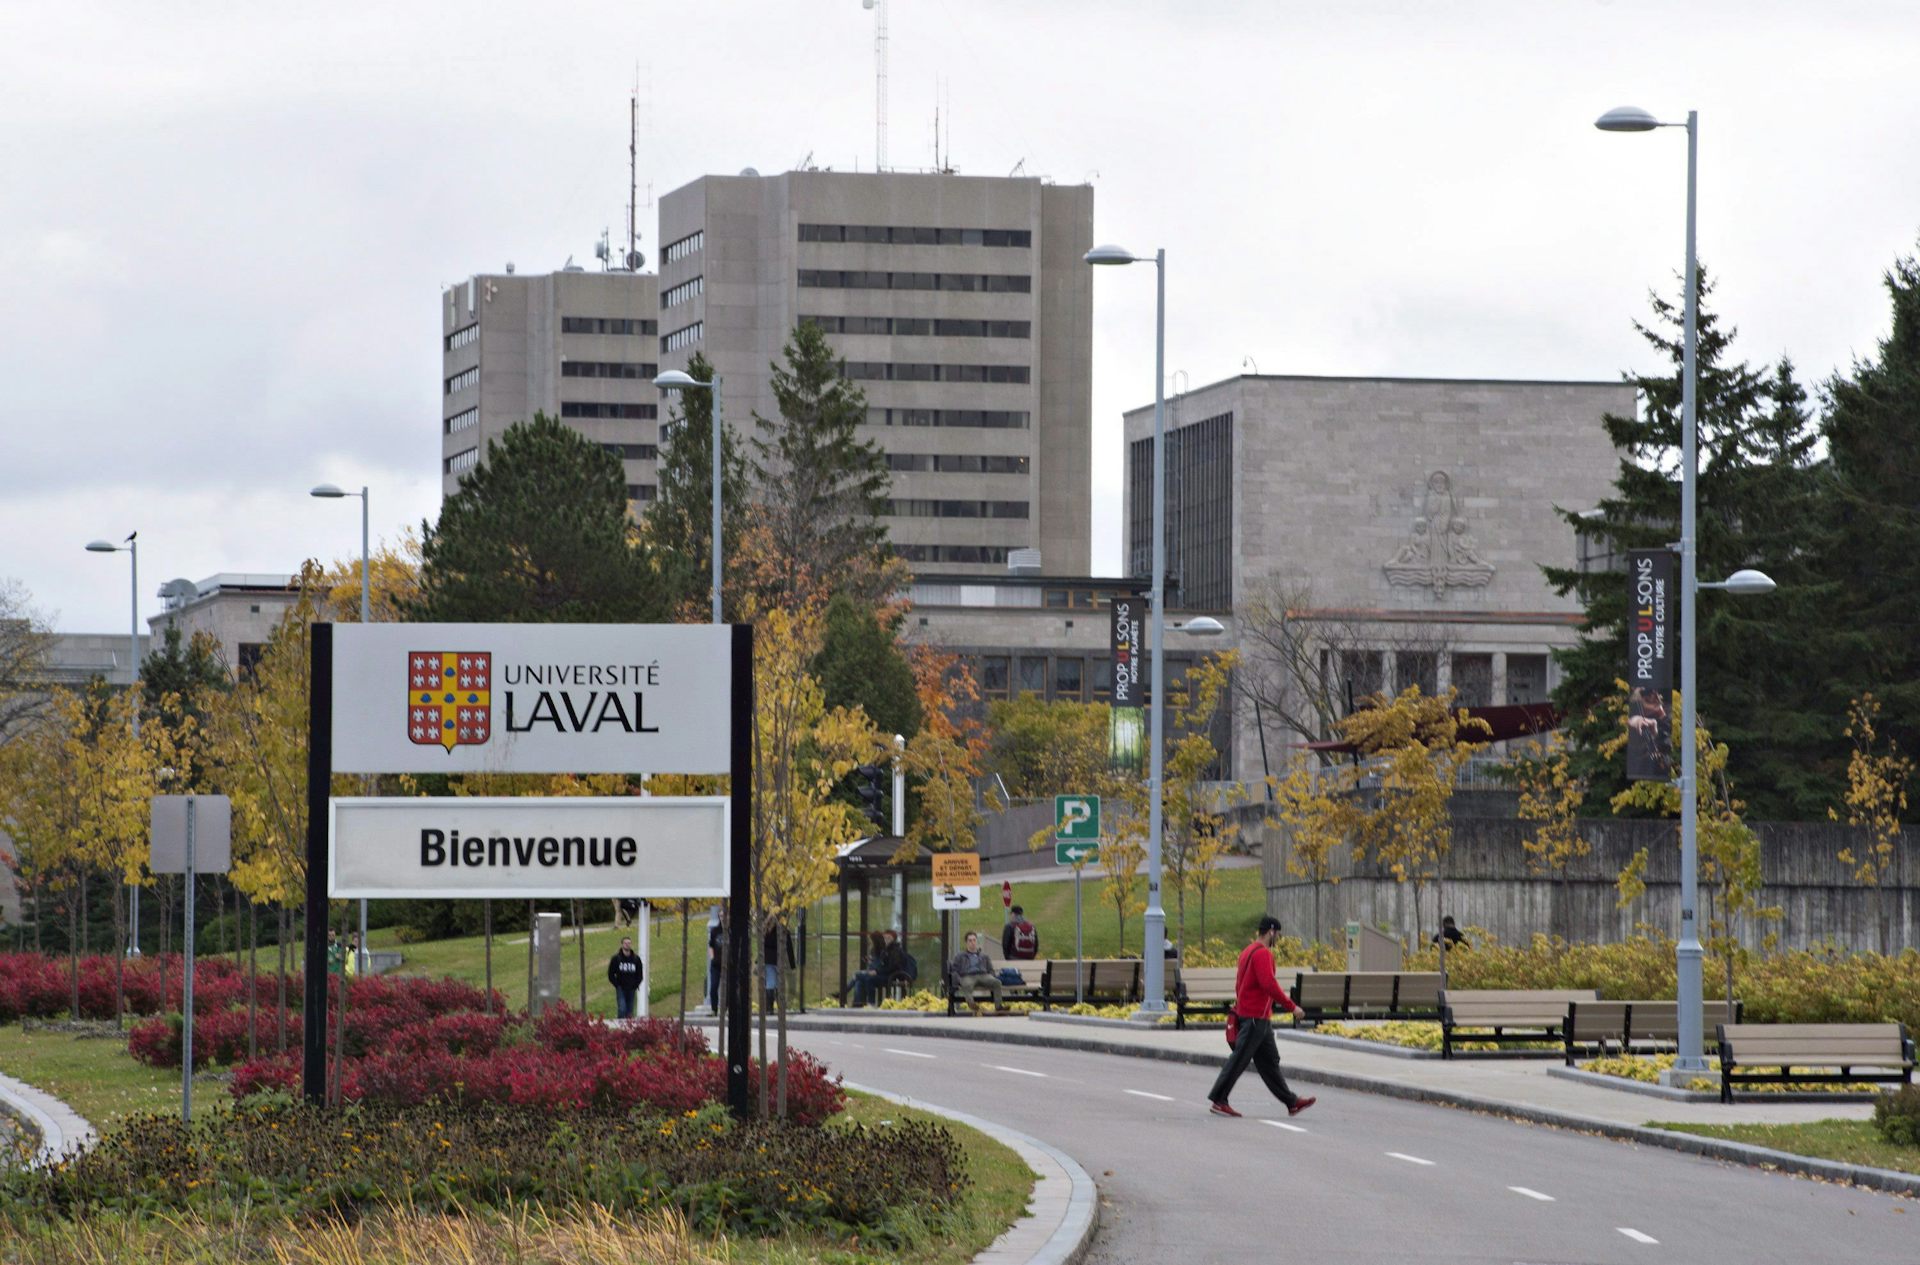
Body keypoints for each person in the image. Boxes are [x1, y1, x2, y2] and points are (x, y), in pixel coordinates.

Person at [1207, 915, 1316, 1120]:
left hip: (1258, 1017)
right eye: (1278, 935)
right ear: (1271, 932)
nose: (1279, 939)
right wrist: (1292, 1007)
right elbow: (1269, 984)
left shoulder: (1247, 952)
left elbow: (1240, 983)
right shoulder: (1263, 954)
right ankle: (1219, 1100)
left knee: (1269, 1062)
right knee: (1239, 1059)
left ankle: (1291, 1102)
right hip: (1255, 1016)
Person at [948, 931, 1005, 1014]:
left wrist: (991, 976)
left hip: (983, 975)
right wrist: (959, 980)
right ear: (966, 942)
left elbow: (990, 969)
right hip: (967, 976)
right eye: (970, 940)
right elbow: (954, 969)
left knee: (997, 982)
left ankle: (999, 1007)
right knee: (966, 985)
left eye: (974, 940)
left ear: (977, 941)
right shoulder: (960, 956)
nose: (972, 943)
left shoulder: (984, 956)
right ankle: (972, 1004)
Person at [846, 931, 888, 1007]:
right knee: (858, 982)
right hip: (871, 972)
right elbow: (874, 964)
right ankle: (857, 1005)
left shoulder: (883, 951)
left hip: (877, 974)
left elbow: (881, 965)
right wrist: (870, 961)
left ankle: (844, 992)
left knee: (857, 974)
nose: (869, 942)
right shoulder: (873, 950)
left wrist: (873, 965)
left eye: (870, 940)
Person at [607, 935, 644, 1019]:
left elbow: (640, 974)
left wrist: (636, 984)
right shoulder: (616, 959)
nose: (627, 945)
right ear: (622, 944)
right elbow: (610, 974)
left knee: (630, 1011)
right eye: (625, 943)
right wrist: (617, 985)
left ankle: (628, 1028)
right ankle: (619, 1025)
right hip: (621, 988)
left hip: (632, 988)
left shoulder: (636, 959)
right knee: (622, 1009)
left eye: (629, 943)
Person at [705, 907, 726, 1011]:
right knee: (713, 987)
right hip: (716, 963)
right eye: (721, 916)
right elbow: (711, 945)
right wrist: (712, 957)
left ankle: (727, 1008)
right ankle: (714, 1009)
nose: (722, 918)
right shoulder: (715, 931)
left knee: (728, 988)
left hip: (727, 964)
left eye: (724, 916)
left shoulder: (730, 930)